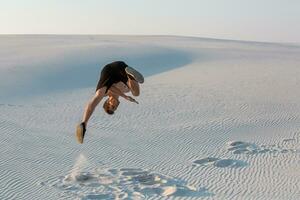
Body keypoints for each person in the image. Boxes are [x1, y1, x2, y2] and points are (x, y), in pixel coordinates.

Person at [76, 61, 144, 144]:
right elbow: (115, 89)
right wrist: (125, 96)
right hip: (121, 69)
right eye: (115, 108)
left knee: (98, 95)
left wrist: (125, 97)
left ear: (108, 102)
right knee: (135, 93)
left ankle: (84, 123)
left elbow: (110, 88)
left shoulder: (106, 93)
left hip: (109, 71)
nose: (115, 106)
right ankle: (131, 76)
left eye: (112, 106)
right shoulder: (124, 91)